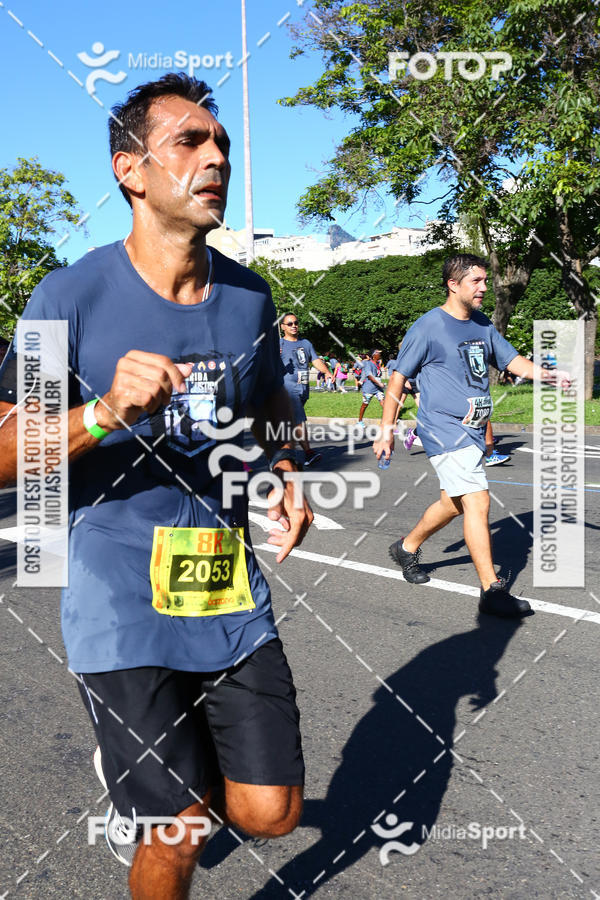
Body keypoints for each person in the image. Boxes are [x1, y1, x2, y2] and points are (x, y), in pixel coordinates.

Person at [0, 74, 312, 898]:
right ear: (130, 170)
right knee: (180, 829)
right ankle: (155, 801)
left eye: (223, 146)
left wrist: (282, 469)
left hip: (220, 580)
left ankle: (154, 787)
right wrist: (99, 414)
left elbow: (273, 404)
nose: (216, 158)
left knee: (272, 812)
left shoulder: (249, 298)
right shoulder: (67, 297)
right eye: (190, 142)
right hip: (118, 592)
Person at [374, 253, 569, 619]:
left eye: (483, 280)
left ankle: (407, 546)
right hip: (443, 427)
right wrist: (386, 430)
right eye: (475, 282)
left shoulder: (482, 324)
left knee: (454, 501)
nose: (483, 288)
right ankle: (491, 590)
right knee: (478, 501)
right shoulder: (428, 327)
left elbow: (510, 360)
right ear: (453, 285)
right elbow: (397, 379)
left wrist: (548, 375)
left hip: (473, 428)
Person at [279, 314, 332, 465]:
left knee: (291, 422)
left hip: (303, 388)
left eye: (296, 322)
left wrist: (327, 372)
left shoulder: (305, 343)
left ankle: (285, 453)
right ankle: (308, 453)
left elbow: (315, 360)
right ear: (283, 327)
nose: (294, 325)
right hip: (288, 389)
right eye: (289, 323)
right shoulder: (279, 344)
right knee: (299, 420)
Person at [357, 349, 385, 426]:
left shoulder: (378, 363)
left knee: (384, 404)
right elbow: (369, 375)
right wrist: (379, 383)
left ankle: (387, 422)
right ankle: (360, 421)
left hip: (378, 389)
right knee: (365, 405)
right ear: (373, 356)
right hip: (369, 389)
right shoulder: (368, 364)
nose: (379, 354)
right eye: (377, 353)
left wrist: (380, 384)